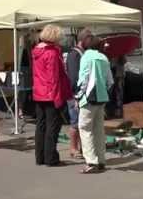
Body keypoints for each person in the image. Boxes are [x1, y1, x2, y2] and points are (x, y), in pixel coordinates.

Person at [32, 25, 72, 167]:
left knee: (41, 125)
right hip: (50, 93)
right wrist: (57, 98)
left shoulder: (36, 51)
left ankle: (40, 157)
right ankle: (51, 158)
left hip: (39, 93)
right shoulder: (52, 53)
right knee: (52, 127)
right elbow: (53, 78)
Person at [77, 37, 114, 174]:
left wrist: (78, 96)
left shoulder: (86, 57)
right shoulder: (104, 58)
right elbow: (110, 81)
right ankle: (101, 159)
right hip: (102, 97)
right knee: (99, 129)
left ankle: (91, 161)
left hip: (89, 98)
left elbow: (83, 79)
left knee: (85, 129)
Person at [65, 28, 93, 159]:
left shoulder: (84, 53)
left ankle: (82, 148)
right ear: (84, 39)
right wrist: (76, 95)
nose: (91, 42)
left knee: (83, 123)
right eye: (89, 39)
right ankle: (73, 148)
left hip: (83, 93)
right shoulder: (74, 55)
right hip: (75, 94)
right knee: (75, 122)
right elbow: (73, 76)